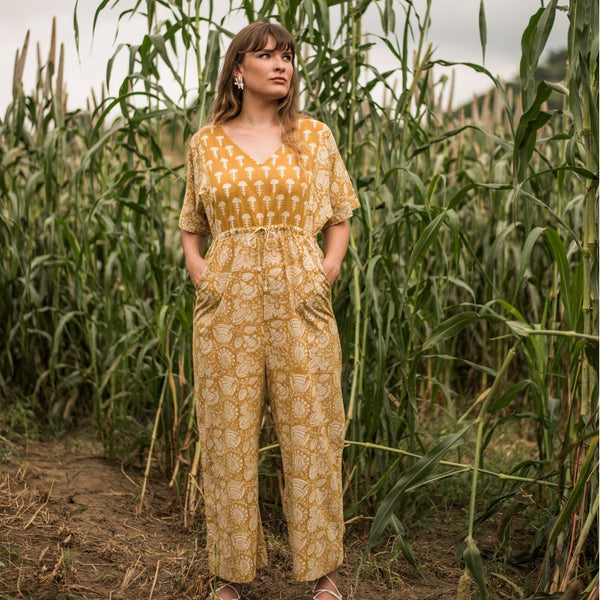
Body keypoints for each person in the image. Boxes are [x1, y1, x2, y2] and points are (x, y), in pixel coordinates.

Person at [179, 21, 359, 600]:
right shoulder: (205, 142)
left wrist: (326, 270)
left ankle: (325, 575)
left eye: (287, 56)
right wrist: (202, 271)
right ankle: (230, 578)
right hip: (227, 300)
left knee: (313, 429)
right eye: (267, 56)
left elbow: (339, 213)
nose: (282, 65)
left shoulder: (314, 135)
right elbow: (191, 223)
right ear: (239, 69)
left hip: (299, 296)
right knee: (227, 436)